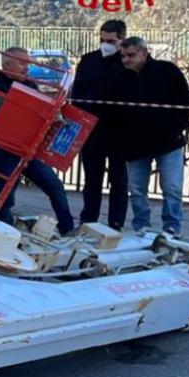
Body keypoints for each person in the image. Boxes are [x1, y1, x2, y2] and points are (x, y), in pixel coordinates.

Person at [0, 47, 76, 235]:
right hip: (5, 151)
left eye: (28, 62)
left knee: (55, 187)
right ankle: (4, 235)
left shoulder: (31, 85)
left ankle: (68, 229)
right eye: (22, 63)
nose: (27, 67)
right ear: (7, 65)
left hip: (29, 150)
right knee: (6, 200)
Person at [109, 36, 189, 235]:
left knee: (172, 187)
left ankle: (172, 226)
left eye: (130, 55)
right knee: (137, 190)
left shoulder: (168, 71)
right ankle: (141, 225)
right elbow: (112, 114)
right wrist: (121, 138)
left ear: (144, 53)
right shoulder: (118, 79)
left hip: (168, 142)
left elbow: (186, 105)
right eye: (123, 56)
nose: (126, 60)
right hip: (135, 146)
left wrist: (174, 129)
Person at [71, 19, 129, 229]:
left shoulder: (126, 62)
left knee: (119, 181)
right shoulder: (88, 61)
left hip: (118, 132)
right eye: (102, 39)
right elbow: (77, 95)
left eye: (111, 41)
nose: (105, 44)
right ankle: (88, 221)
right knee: (92, 180)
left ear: (121, 40)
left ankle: (116, 223)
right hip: (91, 131)